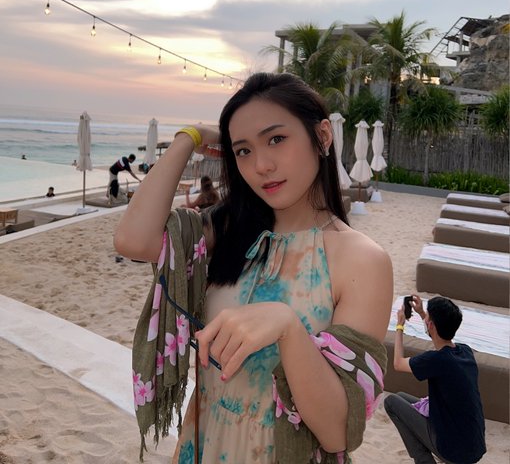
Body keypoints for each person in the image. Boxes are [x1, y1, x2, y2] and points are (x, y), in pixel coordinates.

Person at [114, 72, 393, 464]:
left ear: (322, 137)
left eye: (276, 139)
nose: (261, 165)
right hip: (203, 444)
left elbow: (336, 431)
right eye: (243, 150)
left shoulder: (362, 260)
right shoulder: (232, 228)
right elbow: (133, 240)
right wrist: (190, 137)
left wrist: (288, 328)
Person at [384, 295, 486, 464]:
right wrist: (422, 313)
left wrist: (400, 325)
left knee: (391, 402)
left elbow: (398, 363)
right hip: (474, 445)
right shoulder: (465, 351)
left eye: (428, 319)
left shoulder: (436, 360)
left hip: (455, 453)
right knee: (401, 397)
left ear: (431, 325)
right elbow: (440, 336)